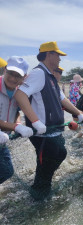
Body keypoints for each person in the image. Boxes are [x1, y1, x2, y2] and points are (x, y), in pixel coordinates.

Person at [14, 41, 83, 200]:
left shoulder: (51, 76)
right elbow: (20, 95)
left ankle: (42, 186)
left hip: (53, 130)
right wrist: (35, 121)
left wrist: (79, 113)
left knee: (58, 154)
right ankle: (38, 198)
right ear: (49, 54)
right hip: (42, 132)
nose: (60, 59)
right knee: (49, 160)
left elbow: (63, 100)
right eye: (58, 55)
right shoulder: (39, 73)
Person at [0, 56, 34, 184]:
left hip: (3, 139)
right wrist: (16, 127)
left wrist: (18, 123)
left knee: (7, 172)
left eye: (17, 76)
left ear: (24, 77)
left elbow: (16, 111)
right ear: (5, 70)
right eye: (10, 73)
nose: (13, 78)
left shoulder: (19, 93)